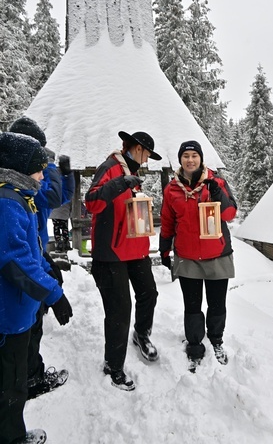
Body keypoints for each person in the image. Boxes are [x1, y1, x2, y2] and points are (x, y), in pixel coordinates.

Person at [0, 132, 72, 444]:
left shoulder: (19, 197)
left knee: (14, 379)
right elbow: (15, 261)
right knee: (10, 385)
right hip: (8, 315)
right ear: (20, 167)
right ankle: (12, 438)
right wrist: (54, 294)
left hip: (18, 310)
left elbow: (31, 251)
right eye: (38, 168)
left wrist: (49, 276)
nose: (43, 174)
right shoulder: (7, 203)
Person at [85, 131, 162, 391]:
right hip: (111, 254)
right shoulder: (110, 167)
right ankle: (113, 366)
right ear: (135, 148)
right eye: (146, 154)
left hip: (136, 249)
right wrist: (120, 183)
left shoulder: (133, 172)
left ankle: (141, 334)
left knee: (149, 293)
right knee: (119, 310)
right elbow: (92, 202)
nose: (147, 159)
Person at [159, 140, 237, 371]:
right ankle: (194, 344)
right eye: (186, 156)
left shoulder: (216, 183)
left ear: (201, 159)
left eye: (194, 155)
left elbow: (230, 213)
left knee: (216, 304)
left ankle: (216, 339)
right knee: (192, 306)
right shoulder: (172, 189)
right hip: (187, 256)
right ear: (180, 160)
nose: (190, 160)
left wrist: (217, 194)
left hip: (217, 255)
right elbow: (167, 221)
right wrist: (165, 248)